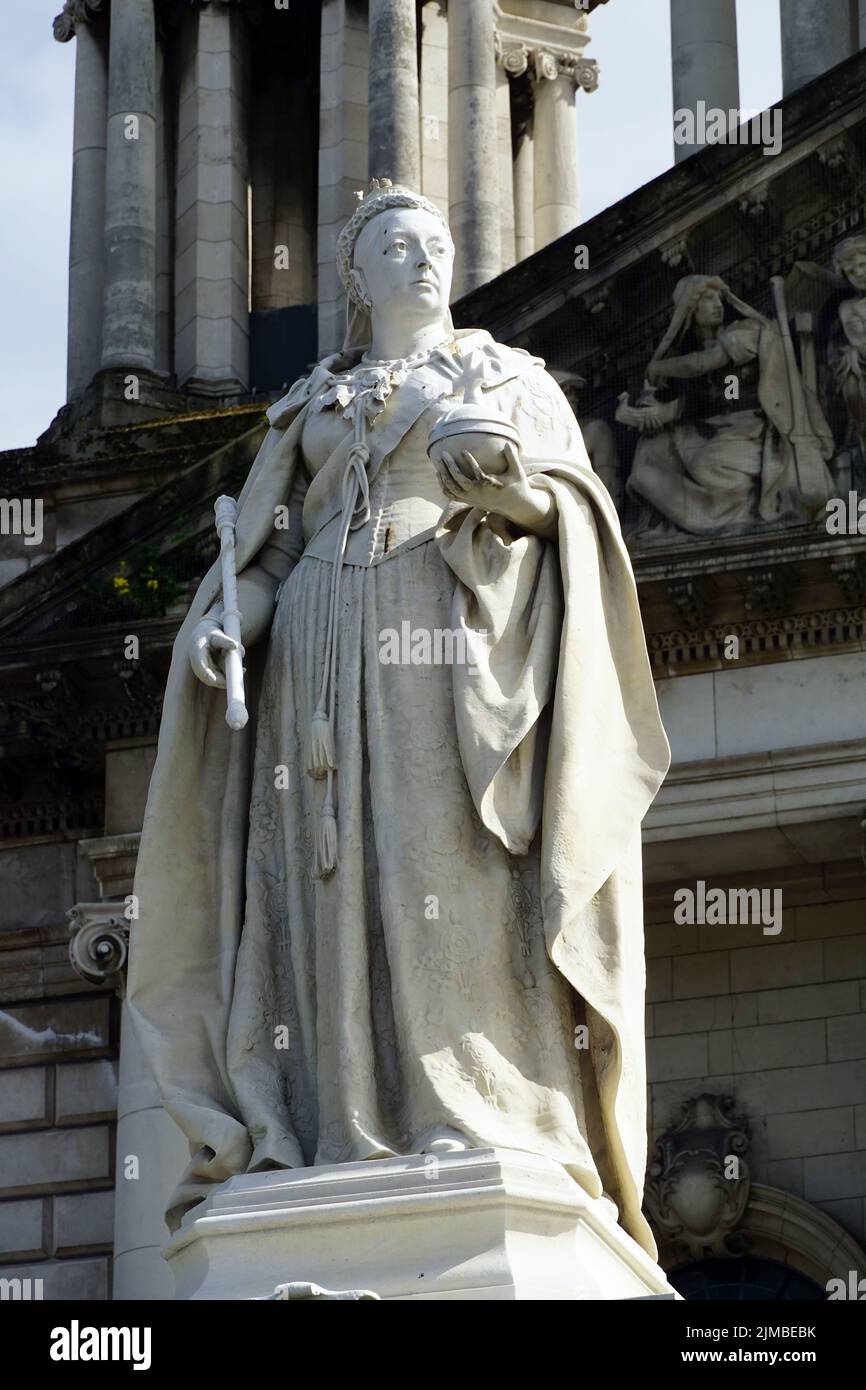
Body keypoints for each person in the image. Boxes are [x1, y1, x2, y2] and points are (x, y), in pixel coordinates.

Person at [127, 182, 670, 1256]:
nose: (420, 260)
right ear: (356, 278)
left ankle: (474, 1111)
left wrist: (508, 495)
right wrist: (219, 628)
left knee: (446, 867)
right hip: (319, 655)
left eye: (433, 244)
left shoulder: (506, 377)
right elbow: (270, 552)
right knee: (322, 886)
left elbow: (564, 512)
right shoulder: (306, 408)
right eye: (394, 246)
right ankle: (343, 1126)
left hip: (449, 640)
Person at [620, 275, 834, 536]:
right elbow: (692, 399)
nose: (717, 304)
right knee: (651, 454)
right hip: (714, 430)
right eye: (707, 299)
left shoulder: (744, 331)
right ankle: (658, 522)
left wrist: (658, 368)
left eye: (719, 298)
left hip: (754, 426)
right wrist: (649, 415)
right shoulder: (687, 353)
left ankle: (737, 514)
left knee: (706, 463)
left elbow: (703, 363)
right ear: (690, 309)